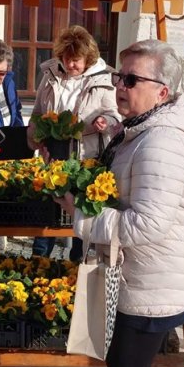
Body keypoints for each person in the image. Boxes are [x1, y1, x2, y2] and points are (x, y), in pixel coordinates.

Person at [58, 40, 184, 367]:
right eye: (119, 77)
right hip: (142, 278)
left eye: (132, 79)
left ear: (163, 91)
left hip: (153, 283)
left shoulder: (162, 141)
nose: (120, 86)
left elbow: (147, 224)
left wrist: (82, 216)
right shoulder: (142, 127)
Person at [28, 25, 120, 260]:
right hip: (54, 153)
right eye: (67, 59)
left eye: (76, 60)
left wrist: (105, 120)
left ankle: (78, 263)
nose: (71, 65)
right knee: (49, 208)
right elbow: (38, 111)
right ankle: (40, 260)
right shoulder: (50, 75)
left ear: (88, 58)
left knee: (81, 209)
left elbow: (115, 113)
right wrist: (36, 134)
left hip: (85, 157)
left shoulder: (105, 78)